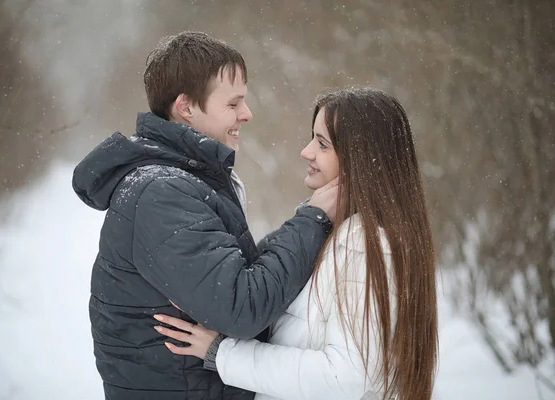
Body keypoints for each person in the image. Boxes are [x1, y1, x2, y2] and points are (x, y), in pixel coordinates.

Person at [71, 31, 338, 400]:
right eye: (233, 104)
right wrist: (314, 219)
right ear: (186, 107)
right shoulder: (161, 193)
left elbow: (236, 278)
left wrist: (308, 217)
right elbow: (241, 308)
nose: (247, 114)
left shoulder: (182, 180)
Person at [154, 87, 439, 400]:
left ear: (360, 159)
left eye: (322, 143)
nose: (306, 151)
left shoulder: (367, 248)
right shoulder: (334, 233)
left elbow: (343, 378)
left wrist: (222, 353)